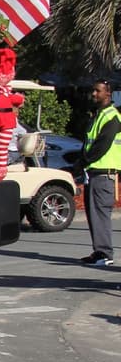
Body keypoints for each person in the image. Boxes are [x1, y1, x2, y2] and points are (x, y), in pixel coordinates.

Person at [75, 79, 119, 267]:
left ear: (108, 94)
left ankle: (105, 254)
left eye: (97, 91)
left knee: (100, 214)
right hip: (94, 172)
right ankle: (99, 251)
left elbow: (101, 145)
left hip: (104, 172)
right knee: (94, 214)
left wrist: (83, 161)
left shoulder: (112, 117)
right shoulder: (97, 115)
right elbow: (89, 143)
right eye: (93, 90)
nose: (93, 94)